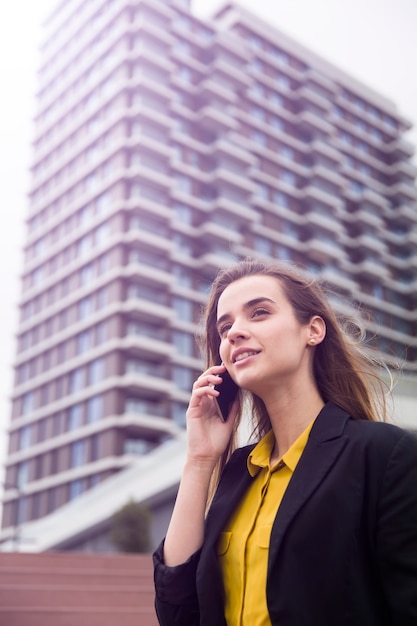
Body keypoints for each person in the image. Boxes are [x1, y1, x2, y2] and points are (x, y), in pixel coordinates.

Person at [153, 259, 417, 625]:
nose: (233, 333)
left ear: (313, 330)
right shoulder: (237, 474)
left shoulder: (384, 455)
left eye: (258, 313)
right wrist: (199, 461)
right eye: (225, 326)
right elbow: (177, 613)